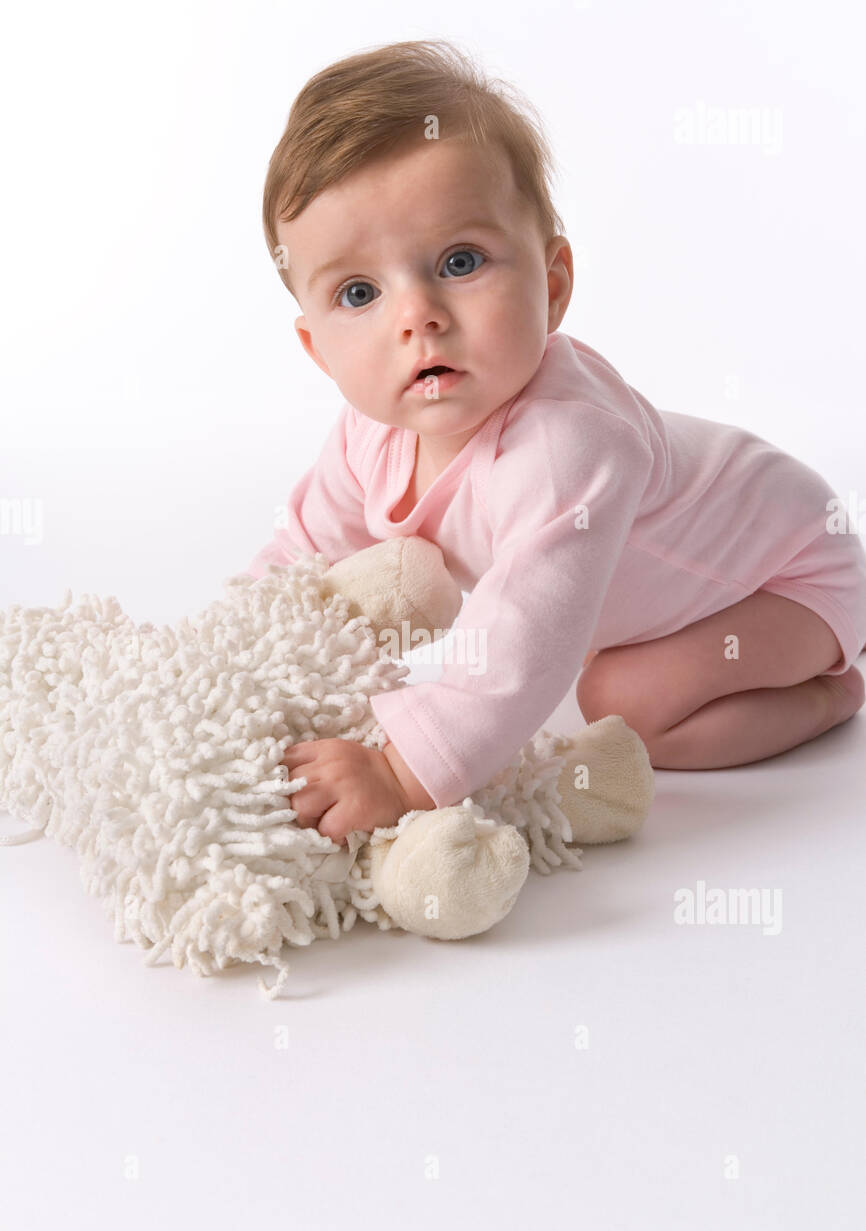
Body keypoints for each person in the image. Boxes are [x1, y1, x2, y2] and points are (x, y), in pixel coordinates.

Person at [245, 39, 866, 845]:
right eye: (359, 292)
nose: (417, 314)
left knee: (623, 700)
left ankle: (835, 689)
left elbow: (522, 645)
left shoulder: (565, 445)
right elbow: (304, 555)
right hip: (724, 570)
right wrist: (236, 659)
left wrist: (402, 771)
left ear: (554, 283)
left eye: (459, 261)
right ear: (317, 349)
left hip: (794, 574)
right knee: (599, 683)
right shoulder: (373, 432)